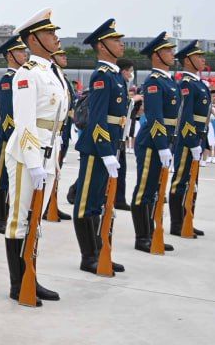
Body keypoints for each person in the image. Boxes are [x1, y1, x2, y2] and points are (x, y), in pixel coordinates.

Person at [2, 9, 65, 305]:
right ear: (33, 38)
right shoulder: (28, 73)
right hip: (28, 156)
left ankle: (32, 277)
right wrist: (34, 162)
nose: (56, 38)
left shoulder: (53, 72)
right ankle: (19, 284)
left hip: (49, 154)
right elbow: (25, 123)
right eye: (50, 33)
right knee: (19, 221)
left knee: (35, 220)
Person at [70, 19, 127, 274]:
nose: (121, 44)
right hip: (95, 149)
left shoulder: (115, 76)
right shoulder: (101, 76)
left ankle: (100, 251)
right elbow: (97, 119)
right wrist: (106, 152)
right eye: (116, 40)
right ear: (102, 46)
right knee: (87, 203)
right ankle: (88, 257)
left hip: (109, 146)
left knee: (100, 203)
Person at [131, 33, 178, 253]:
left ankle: (152, 232)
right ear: (156, 55)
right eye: (168, 50)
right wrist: (161, 145)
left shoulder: (169, 81)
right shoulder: (153, 82)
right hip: (151, 142)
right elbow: (156, 116)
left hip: (164, 140)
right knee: (145, 189)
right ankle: (142, 237)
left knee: (156, 190)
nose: (172, 53)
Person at [169, 40, 211, 238]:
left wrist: (203, 142)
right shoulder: (186, 84)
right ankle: (177, 224)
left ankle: (188, 220)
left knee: (192, 182)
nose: (203, 59)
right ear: (187, 60)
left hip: (197, 139)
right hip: (188, 141)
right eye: (198, 56)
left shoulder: (198, 83)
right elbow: (185, 117)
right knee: (180, 181)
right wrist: (193, 142)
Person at [0, 35, 28, 233]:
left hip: (20, 134)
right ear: (10, 55)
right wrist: (14, 135)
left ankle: (9, 213)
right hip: (7, 135)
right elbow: (6, 114)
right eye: (21, 51)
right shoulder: (8, 80)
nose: (25, 55)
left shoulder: (23, 78)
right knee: (1, 177)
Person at [44, 49, 74, 220]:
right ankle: (47, 205)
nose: (65, 57)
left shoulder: (62, 77)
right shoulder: (51, 76)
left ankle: (52, 204)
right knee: (49, 172)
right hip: (53, 131)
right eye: (61, 55)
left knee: (56, 171)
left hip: (64, 131)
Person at [114, 57, 135, 209]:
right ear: (124, 71)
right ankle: (75, 192)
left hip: (120, 131)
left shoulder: (122, 84)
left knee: (121, 167)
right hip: (113, 132)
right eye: (130, 71)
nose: (131, 74)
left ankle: (119, 199)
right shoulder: (116, 82)